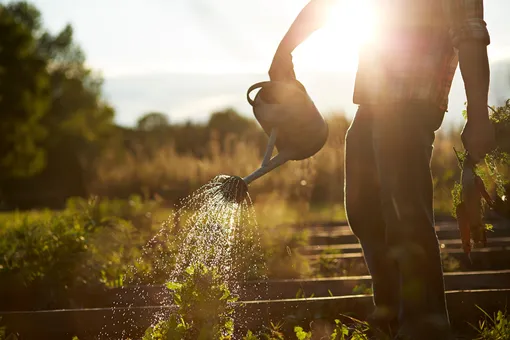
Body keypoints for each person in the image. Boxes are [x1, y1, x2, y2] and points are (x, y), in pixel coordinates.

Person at [269, 0, 496, 339]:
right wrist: (285, 48)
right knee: (363, 211)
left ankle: (425, 326)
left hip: (412, 103)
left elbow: (470, 35)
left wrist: (479, 115)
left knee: (406, 215)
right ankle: (393, 316)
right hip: (373, 102)